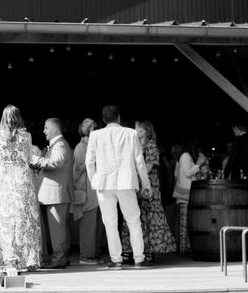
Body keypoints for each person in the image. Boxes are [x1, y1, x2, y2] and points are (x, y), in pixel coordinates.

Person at [85, 105, 152, 269]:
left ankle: (116, 260)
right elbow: (139, 162)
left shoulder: (95, 135)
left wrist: (95, 180)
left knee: (110, 223)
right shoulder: (131, 133)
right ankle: (139, 259)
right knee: (134, 221)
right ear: (119, 118)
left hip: (104, 183)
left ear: (103, 119)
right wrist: (146, 183)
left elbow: (89, 162)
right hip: (125, 182)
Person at [0, 105, 42, 271]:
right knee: (26, 219)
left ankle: (8, 258)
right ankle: (30, 259)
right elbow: (28, 157)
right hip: (23, 179)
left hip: (5, 179)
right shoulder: (27, 136)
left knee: (5, 220)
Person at [121, 120, 176, 266]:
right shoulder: (135, 144)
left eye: (138, 128)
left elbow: (150, 166)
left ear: (146, 130)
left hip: (148, 186)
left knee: (148, 219)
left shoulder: (151, 145)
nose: (136, 130)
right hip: (136, 185)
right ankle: (130, 251)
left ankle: (147, 252)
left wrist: (136, 176)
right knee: (133, 218)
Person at [31, 118, 74, 269]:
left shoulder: (60, 144)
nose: (44, 131)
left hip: (56, 193)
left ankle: (59, 259)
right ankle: (62, 257)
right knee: (60, 227)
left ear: (55, 129)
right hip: (54, 193)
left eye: (46, 128)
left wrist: (34, 159)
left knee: (57, 228)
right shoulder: (57, 144)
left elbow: (56, 162)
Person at [69, 118, 103, 265]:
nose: (96, 131)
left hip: (96, 191)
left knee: (96, 225)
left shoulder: (93, 146)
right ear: (87, 131)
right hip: (87, 193)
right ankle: (86, 256)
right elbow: (77, 171)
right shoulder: (81, 147)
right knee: (88, 226)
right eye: (94, 128)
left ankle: (94, 254)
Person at [173, 140, 208, 254]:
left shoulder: (186, 156)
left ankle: (186, 248)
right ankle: (184, 249)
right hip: (185, 194)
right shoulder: (185, 156)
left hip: (186, 194)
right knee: (185, 224)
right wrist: (199, 164)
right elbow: (188, 173)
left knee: (186, 223)